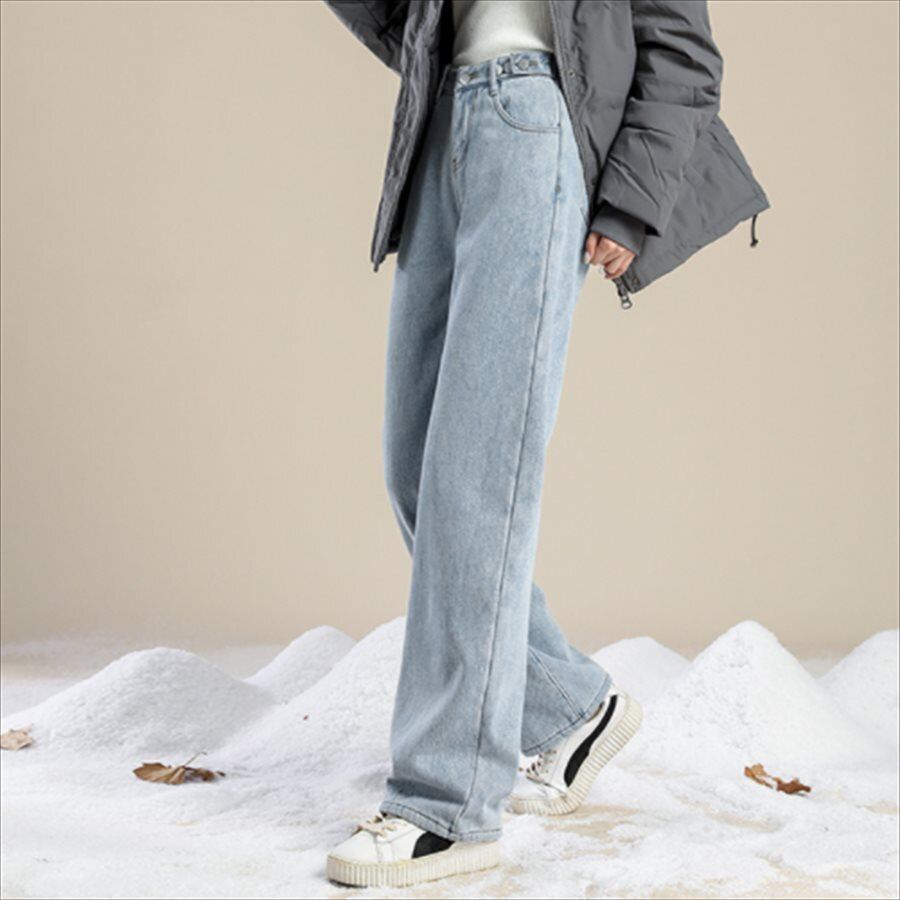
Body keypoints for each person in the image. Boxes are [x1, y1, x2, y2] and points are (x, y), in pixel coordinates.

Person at [322, 0, 769, 888]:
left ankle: (447, 806)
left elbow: (683, 52)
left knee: (475, 477)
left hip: (537, 126)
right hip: (442, 120)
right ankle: (572, 709)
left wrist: (631, 201)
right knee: (415, 472)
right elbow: (401, 20)